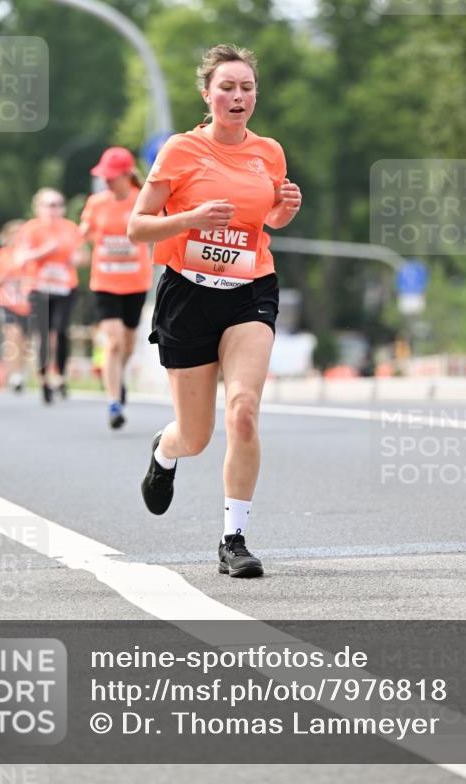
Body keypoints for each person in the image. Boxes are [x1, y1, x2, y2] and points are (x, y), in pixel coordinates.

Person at [127, 44, 301, 579]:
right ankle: (165, 451)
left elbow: (266, 220)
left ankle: (233, 539)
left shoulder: (269, 152)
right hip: (189, 295)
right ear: (208, 95)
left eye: (247, 87)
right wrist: (190, 219)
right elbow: (137, 227)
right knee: (196, 436)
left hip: (251, 289)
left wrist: (284, 210)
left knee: (243, 410)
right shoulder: (181, 150)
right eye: (227, 87)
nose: (238, 96)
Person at [80, 147, 152, 429]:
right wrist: (82, 235)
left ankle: (116, 376)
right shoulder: (96, 203)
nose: (107, 181)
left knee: (128, 344)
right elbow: (85, 230)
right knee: (113, 342)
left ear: (125, 175)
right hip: (105, 282)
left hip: (135, 282)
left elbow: (158, 226)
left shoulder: (142, 199)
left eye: (111, 177)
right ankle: (113, 402)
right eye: (104, 177)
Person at [16, 189, 88, 403]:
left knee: (62, 330)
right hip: (38, 287)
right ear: (38, 207)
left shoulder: (70, 228)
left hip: (65, 288)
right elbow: (20, 258)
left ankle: (61, 376)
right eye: (48, 205)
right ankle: (44, 379)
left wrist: (76, 258)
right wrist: (44, 251)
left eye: (57, 205)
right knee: (44, 333)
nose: (53, 210)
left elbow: (85, 255)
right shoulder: (30, 229)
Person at [0, 220, 33, 393]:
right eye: (14, 233)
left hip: (28, 303)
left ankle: (21, 372)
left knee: (25, 341)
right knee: (12, 336)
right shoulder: (2, 255)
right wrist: (10, 274)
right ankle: (14, 375)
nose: (18, 237)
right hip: (8, 301)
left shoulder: (31, 253)